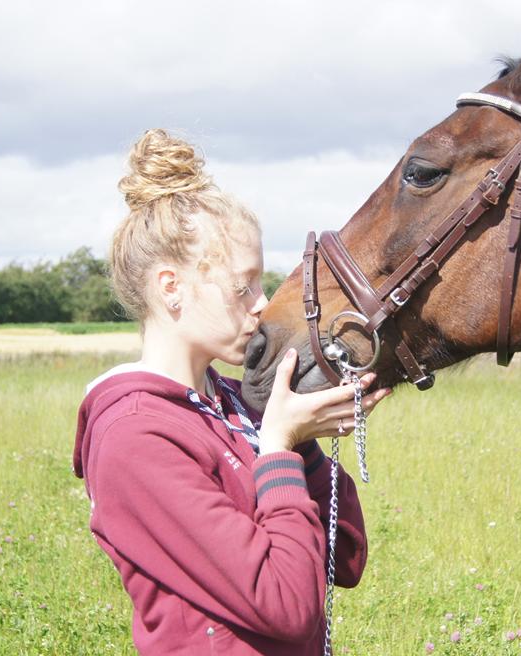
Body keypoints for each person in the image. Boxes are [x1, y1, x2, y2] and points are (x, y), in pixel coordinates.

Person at [73, 129, 388, 655]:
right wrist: (280, 446)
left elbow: (345, 559)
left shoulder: (235, 406)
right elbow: (286, 607)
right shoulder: (134, 438)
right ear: (171, 287)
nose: (261, 304)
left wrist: (302, 439)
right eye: (242, 287)